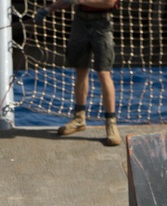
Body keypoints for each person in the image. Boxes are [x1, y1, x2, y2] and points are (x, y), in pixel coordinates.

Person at [40, 0, 121, 146]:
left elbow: (108, 3)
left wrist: (80, 0)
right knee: (81, 70)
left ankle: (111, 124)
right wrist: (48, 10)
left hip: (102, 25)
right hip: (80, 22)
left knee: (103, 73)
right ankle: (79, 119)